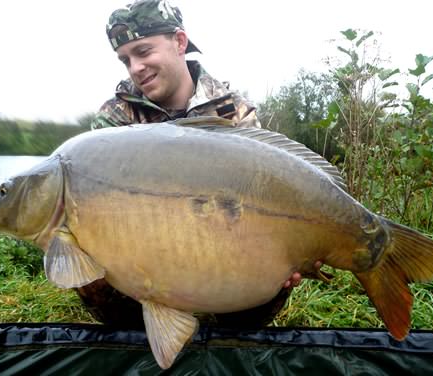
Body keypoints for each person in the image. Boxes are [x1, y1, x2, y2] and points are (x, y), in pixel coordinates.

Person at [77, 0, 311, 329]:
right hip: (139, 249)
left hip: (223, 243)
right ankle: (132, 338)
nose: (135, 68)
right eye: (125, 59)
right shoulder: (115, 119)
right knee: (83, 256)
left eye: (144, 51)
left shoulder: (232, 111)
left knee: (276, 271)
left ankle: (234, 330)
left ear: (180, 42)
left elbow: (266, 193)